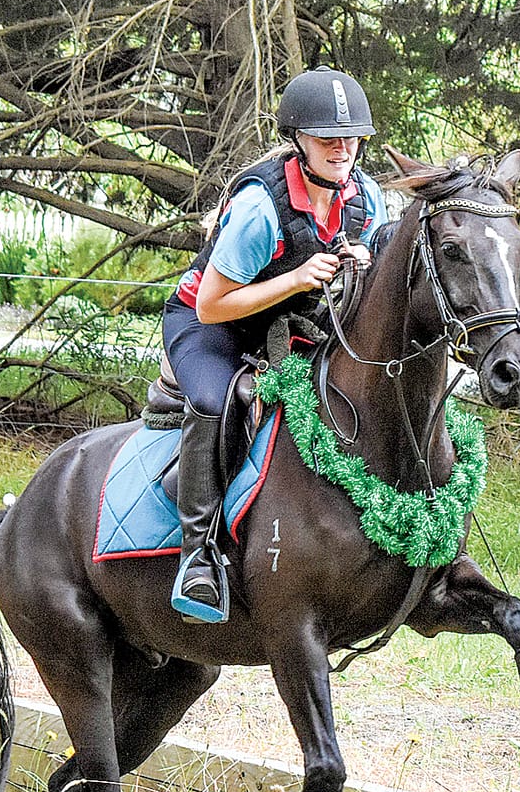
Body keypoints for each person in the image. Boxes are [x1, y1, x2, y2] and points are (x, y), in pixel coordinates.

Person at [161, 66, 383, 623]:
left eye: (351, 137)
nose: (342, 148)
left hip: (289, 327)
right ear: (299, 142)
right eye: (327, 138)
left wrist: (365, 267)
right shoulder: (261, 208)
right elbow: (212, 303)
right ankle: (198, 559)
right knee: (218, 401)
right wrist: (297, 277)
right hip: (209, 324)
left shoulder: (368, 198)